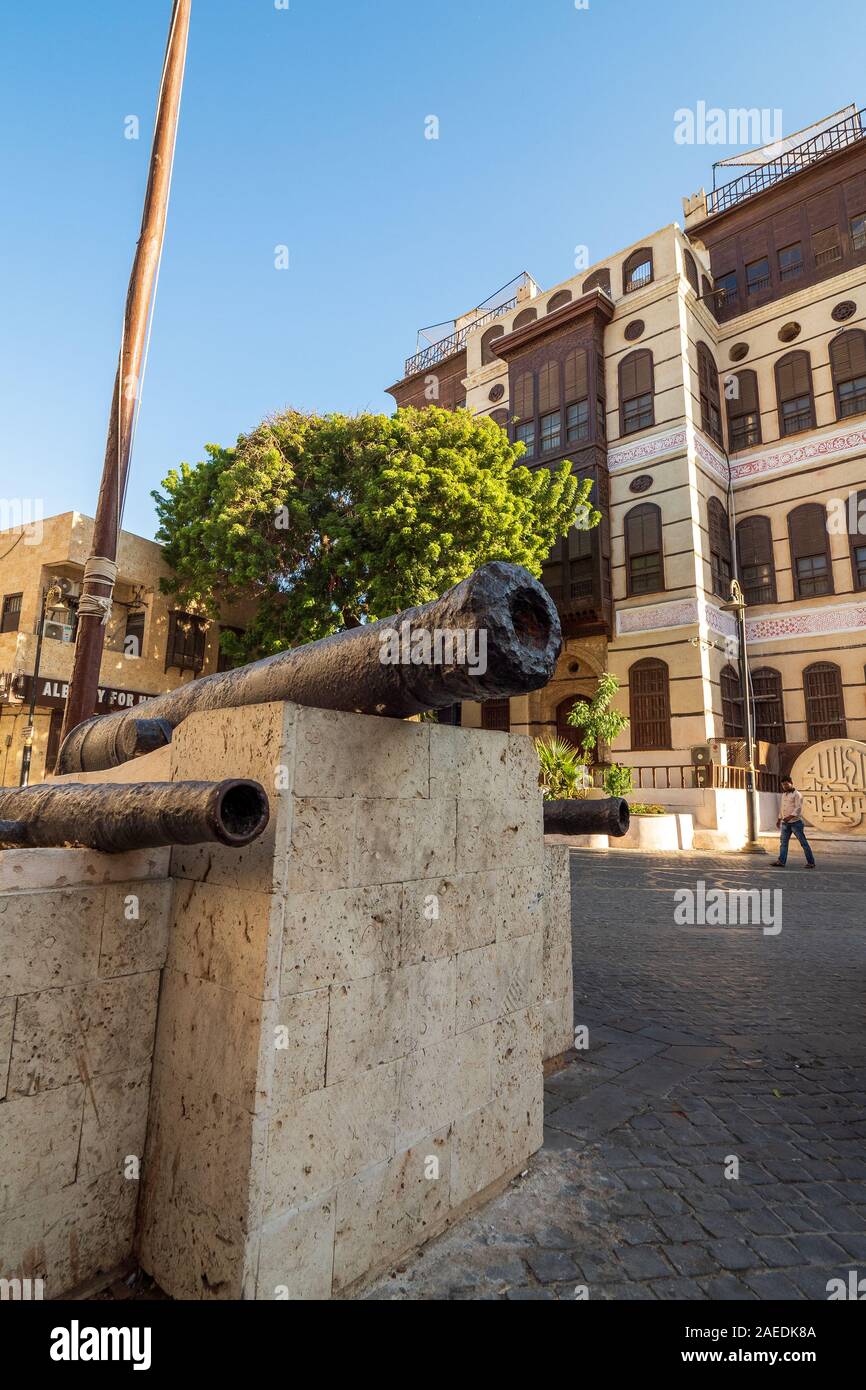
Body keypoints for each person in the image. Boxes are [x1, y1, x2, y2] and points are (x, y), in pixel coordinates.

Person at [771, 776, 816, 869]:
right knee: (783, 843)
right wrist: (779, 819)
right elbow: (782, 808)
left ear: (791, 783)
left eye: (786, 784)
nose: (785, 786)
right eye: (783, 785)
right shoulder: (784, 795)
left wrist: (790, 817)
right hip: (785, 823)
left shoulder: (797, 794)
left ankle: (811, 862)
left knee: (803, 843)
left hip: (796, 823)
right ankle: (781, 861)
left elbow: (798, 808)